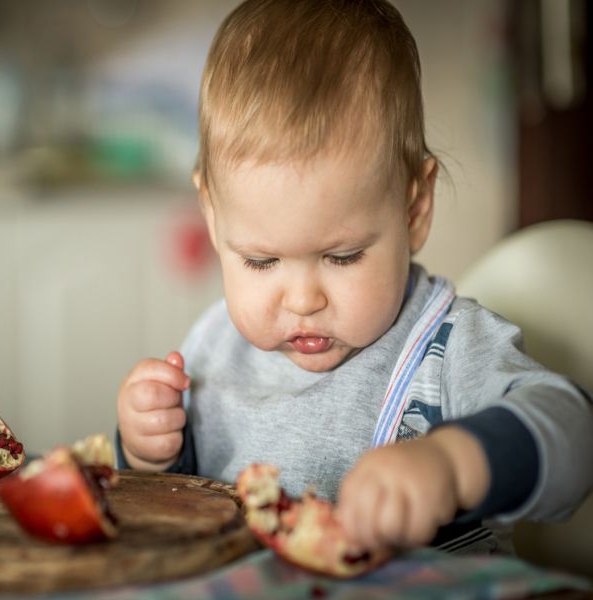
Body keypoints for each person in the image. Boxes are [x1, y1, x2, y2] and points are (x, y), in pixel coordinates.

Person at [116, 0, 592, 555]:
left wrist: (454, 462)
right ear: (214, 216)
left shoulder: (446, 351)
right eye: (261, 261)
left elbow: (576, 433)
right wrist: (153, 452)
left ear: (413, 209)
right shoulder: (212, 350)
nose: (302, 299)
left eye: (342, 257)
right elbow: (178, 501)